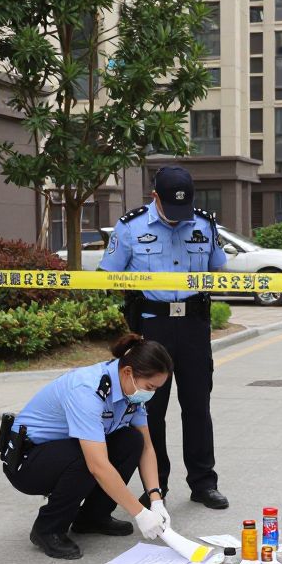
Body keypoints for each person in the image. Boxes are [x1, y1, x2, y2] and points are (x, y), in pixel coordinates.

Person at [99, 164, 229, 510]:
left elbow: (218, 267)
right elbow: (108, 275)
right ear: (154, 196)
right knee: (149, 411)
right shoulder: (130, 227)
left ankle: (204, 482)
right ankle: (157, 485)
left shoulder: (203, 223)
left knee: (197, 406)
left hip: (193, 327)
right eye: (170, 208)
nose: (177, 217)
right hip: (151, 328)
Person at [0, 334, 173, 560]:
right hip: (28, 463)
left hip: (63, 452)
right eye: (150, 386)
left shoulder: (131, 394)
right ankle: (47, 529)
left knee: (132, 441)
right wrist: (140, 513)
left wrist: (155, 499)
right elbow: (97, 465)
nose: (152, 393)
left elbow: (147, 448)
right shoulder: (87, 390)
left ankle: (92, 518)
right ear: (128, 372)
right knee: (86, 457)